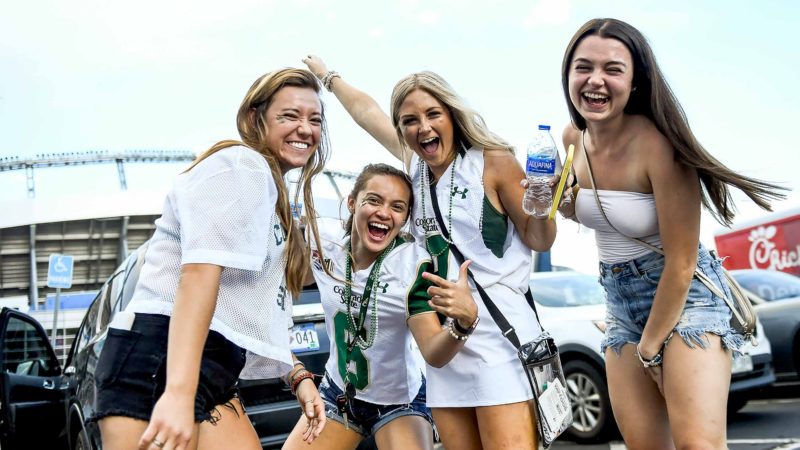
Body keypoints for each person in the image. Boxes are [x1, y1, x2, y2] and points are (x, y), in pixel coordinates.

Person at [302, 55, 557, 450]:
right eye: (409, 120)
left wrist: (543, 201)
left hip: (499, 339)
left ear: (452, 115)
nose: (423, 127)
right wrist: (327, 77)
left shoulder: (493, 162)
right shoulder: (413, 169)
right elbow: (366, 111)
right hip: (445, 346)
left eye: (433, 113)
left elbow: (540, 240)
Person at [556, 18, 785, 450]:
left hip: (685, 297)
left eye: (613, 69)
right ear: (568, 73)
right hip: (618, 299)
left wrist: (649, 349)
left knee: (698, 445)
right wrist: (560, 200)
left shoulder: (661, 147)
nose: (596, 80)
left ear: (636, 80)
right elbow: (586, 214)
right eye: (583, 67)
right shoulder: (573, 138)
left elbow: (681, 263)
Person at [90, 68, 331, 450]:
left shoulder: (272, 193)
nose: (305, 128)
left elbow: (250, 309)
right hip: (158, 360)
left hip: (209, 368)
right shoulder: (242, 164)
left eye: (314, 119)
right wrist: (178, 394)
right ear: (256, 118)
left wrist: (297, 374)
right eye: (289, 116)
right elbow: (200, 273)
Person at [283, 163, 478, 450]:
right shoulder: (325, 244)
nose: (384, 213)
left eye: (397, 207)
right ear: (352, 202)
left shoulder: (411, 267)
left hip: (398, 403)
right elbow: (291, 280)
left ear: (405, 218)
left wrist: (464, 323)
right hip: (338, 394)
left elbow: (434, 353)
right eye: (373, 200)